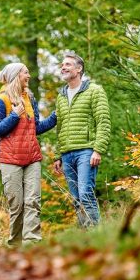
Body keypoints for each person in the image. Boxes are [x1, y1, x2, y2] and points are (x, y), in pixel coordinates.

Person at [0, 62, 56, 246]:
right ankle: (15, 244)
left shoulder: (30, 98)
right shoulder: (1, 100)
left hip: (32, 158)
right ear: (16, 75)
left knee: (33, 202)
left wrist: (55, 117)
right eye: (26, 72)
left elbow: (36, 128)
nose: (29, 76)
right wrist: (13, 116)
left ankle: (32, 243)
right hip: (10, 160)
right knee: (17, 205)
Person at [53, 53, 111, 228]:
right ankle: (86, 236)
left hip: (86, 151)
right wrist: (58, 156)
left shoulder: (94, 90)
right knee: (76, 198)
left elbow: (103, 121)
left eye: (68, 64)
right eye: (62, 64)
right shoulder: (61, 96)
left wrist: (98, 149)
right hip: (67, 154)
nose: (63, 67)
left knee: (86, 193)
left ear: (79, 69)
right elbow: (60, 127)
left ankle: (96, 233)